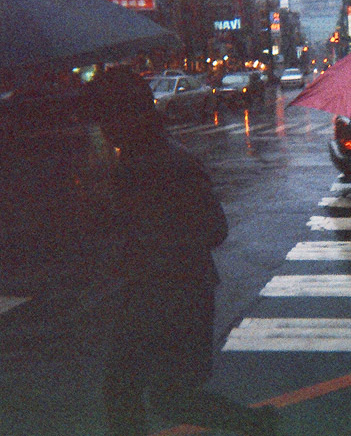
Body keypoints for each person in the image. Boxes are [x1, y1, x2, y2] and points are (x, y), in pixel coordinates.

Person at [86, 67, 278, 436]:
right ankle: (256, 424)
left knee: (150, 392)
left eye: (108, 117)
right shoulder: (138, 159)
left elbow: (213, 228)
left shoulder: (161, 162)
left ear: (131, 114)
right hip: (159, 292)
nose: (104, 128)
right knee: (144, 391)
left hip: (173, 294)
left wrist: (152, 239)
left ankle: (257, 424)